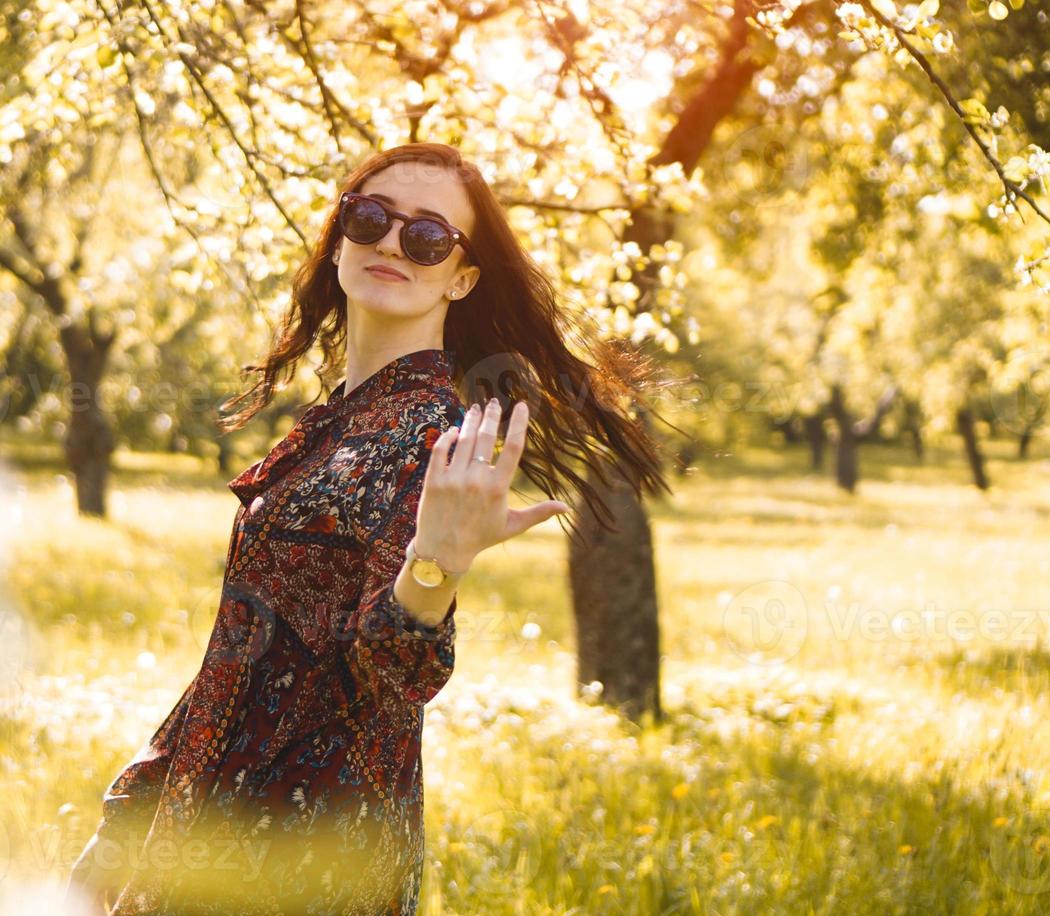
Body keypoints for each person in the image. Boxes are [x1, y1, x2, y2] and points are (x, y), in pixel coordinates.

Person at [66, 142, 674, 914]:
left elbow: (397, 678)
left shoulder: (437, 440)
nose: (391, 242)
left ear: (461, 277)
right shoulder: (331, 425)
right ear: (340, 239)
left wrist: (437, 566)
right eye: (371, 218)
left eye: (427, 237)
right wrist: (128, 819)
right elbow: (235, 657)